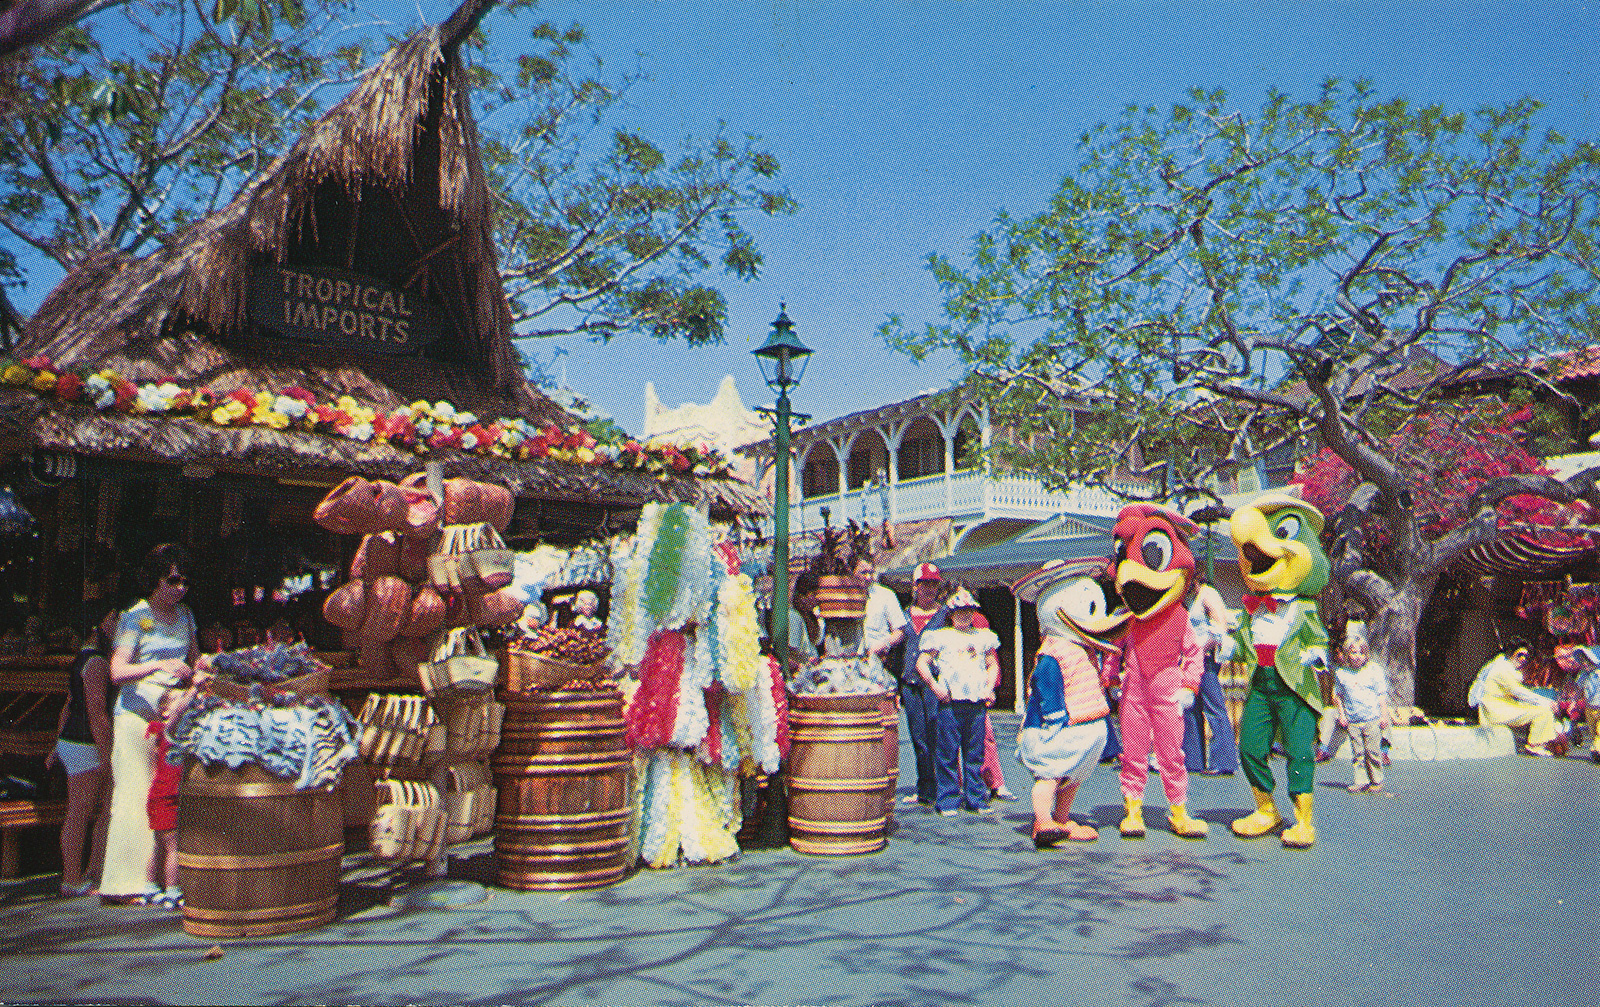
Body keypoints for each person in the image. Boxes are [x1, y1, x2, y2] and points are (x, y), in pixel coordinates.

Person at [101, 543, 202, 906]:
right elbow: (117, 671)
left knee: (168, 800)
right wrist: (159, 666)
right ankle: (124, 884)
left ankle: (167, 880)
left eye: (185, 581)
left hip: (172, 719)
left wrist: (205, 669)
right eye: (173, 579)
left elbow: (196, 659)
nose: (180, 588)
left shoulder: (186, 615)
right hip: (135, 718)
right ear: (155, 580)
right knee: (133, 797)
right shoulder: (136, 617)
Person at [45, 609, 118, 897]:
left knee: (90, 810)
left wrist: (57, 744)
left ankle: (90, 873)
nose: (119, 627)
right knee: (83, 812)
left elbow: (69, 704)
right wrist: (106, 755)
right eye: (115, 621)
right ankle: (73, 879)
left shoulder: (81, 658)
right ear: (100, 624)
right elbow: (96, 714)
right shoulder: (98, 663)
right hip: (87, 744)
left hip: (73, 741)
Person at [916, 588, 1001, 816]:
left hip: (976, 704)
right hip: (950, 703)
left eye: (968, 611)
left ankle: (977, 799)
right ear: (950, 614)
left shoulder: (983, 637)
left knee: (975, 754)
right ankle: (948, 801)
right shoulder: (940, 636)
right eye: (959, 611)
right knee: (947, 753)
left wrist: (989, 688)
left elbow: (992, 665)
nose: (964, 615)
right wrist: (935, 686)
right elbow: (922, 663)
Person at [145, 684, 198, 911]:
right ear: (166, 710)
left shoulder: (166, 731)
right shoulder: (170, 729)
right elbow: (179, 711)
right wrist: (195, 688)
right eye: (178, 699)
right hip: (168, 795)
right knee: (173, 846)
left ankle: (150, 886)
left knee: (159, 843)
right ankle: (173, 891)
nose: (183, 701)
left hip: (159, 794)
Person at [899, 563, 946, 808]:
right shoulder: (903, 616)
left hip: (936, 684)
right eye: (924, 584)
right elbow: (896, 646)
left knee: (937, 735)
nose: (929, 589)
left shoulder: (946, 615)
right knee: (919, 738)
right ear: (915, 586)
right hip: (910, 684)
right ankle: (925, 788)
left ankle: (945, 788)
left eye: (933, 584)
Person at [1181, 576, 1239, 777]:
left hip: (1204, 658)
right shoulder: (1194, 599)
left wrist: (1200, 649)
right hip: (1192, 659)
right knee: (1191, 708)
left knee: (1214, 707)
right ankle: (1193, 760)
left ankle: (1224, 761)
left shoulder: (1209, 595)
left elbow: (1219, 629)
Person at [1469, 639, 1563, 757]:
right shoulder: (1501, 669)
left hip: (1502, 706)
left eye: (1526, 656)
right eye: (1520, 655)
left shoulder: (1503, 667)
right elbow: (1518, 692)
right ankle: (1535, 745)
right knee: (1543, 712)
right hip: (1495, 711)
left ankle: (1540, 742)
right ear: (1510, 654)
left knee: (1539, 708)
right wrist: (1545, 702)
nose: (1523, 659)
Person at [1330, 625, 1389, 792]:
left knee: (1372, 751)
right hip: (1353, 720)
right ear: (1347, 654)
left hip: (1371, 718)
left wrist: (1383, 716)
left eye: (1361, 653)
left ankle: (1377, 780)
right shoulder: (1342, 673)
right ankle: (1361, 780)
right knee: (1358, 753)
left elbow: (1381, 695)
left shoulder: (1374, 671)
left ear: (1366, 654)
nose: (1357, 657)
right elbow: (1338, 696)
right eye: (1353, 653)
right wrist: (1342, 715)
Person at [853, 555, 907, 665]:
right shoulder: (843, 596)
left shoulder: (886, 595)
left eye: (871, 573)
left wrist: (883, 645)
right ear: (852, 572)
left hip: (880, 660)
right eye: (863, 573)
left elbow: (900, 631)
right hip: (853, 660)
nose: (868, 577)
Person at [786, 571, 821, 675]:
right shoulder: (793, 617)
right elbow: (791, 652)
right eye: (814, 594)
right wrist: (805, 664)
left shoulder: (810, 617)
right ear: (802, 595)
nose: (817, 599)